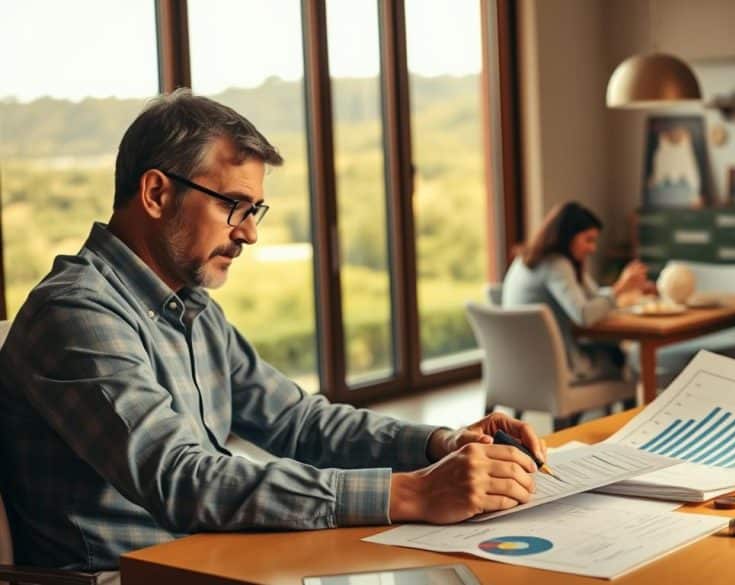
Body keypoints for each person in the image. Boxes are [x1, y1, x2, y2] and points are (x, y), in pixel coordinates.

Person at [0, 89, 545, 572]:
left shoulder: (192, 310)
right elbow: (180, 479)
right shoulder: (74, 315)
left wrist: (438, 445)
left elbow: (296, 421)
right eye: (233, 206)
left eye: (255, 208)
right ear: (156, 194)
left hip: (207, 561)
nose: (251, 233)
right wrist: (409, 494)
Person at [502, 201, 652, 383]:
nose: (593, 248)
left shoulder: (528, 259)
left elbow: (592, 296)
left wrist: (625, 287)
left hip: (520, 366)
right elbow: (583, 315)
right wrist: (619, 288)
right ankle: (635, 410)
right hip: (555, 369)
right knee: (622, 359)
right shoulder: (557, 265)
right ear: (568, 236)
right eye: (588, 240)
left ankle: (584, 411)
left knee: (614, 353)